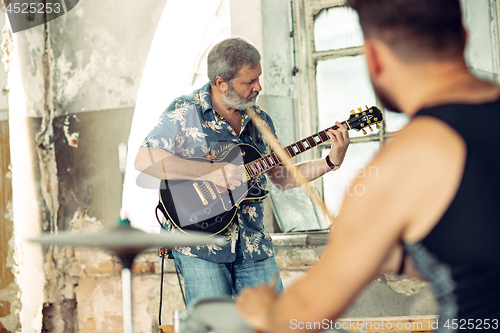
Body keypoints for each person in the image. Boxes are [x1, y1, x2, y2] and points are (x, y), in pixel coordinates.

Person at [236, 0, 500, 332]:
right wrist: (410, 260)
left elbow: (303, 315)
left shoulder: (406, 159)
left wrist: (265, 311)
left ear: (373, 57)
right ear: (463, 37)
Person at [134, 37, 350, 306]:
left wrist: (330, 161)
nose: (258, 87)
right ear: (221, 82)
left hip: (253, 246)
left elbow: (282, 178)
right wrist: (209, 172)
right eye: (249, 82)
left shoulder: (260, 121)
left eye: (258, 78)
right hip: (200, 246)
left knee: (274, 324)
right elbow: (145, 160)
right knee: (216, 327)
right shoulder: (184, 112)